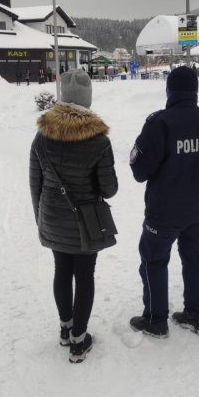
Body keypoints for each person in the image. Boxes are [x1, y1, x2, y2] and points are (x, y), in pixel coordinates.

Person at [29, 69, 118, 362]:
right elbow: (110, 188)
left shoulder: (42, 136)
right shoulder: (99, 141)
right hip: (87, 224)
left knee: (61, 270)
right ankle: (80, 340)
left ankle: (65, 329)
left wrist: (40, 217)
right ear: (87, 99)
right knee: (85, 274)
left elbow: (35, 183)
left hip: (52, 218)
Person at [129, 66, 199, 338]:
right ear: (194, 90)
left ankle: (155, 319)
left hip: (164, 211)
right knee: (195, 256)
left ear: (169, 90)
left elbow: (139, 169)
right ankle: (196, 314)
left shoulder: (160, 122)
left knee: (153, 260)